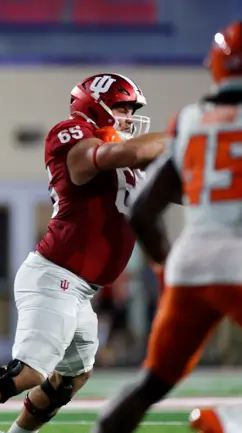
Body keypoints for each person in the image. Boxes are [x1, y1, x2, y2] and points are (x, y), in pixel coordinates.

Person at [0, 72, 167, 433]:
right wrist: (179, 137)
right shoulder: (72, 133)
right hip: (56, 275)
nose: (128, 117)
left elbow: (157, 181)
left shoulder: (120, 158)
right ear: (96, 105)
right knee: (28, 370)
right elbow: (113, 156)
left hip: (82, 290)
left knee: (72, 376)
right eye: (122, 108)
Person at [92, 21, 242, 433]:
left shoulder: (191, 119)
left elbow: (142, 209)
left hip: (190, 264)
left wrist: (166, 265)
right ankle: (230, 420)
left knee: (151, 384)